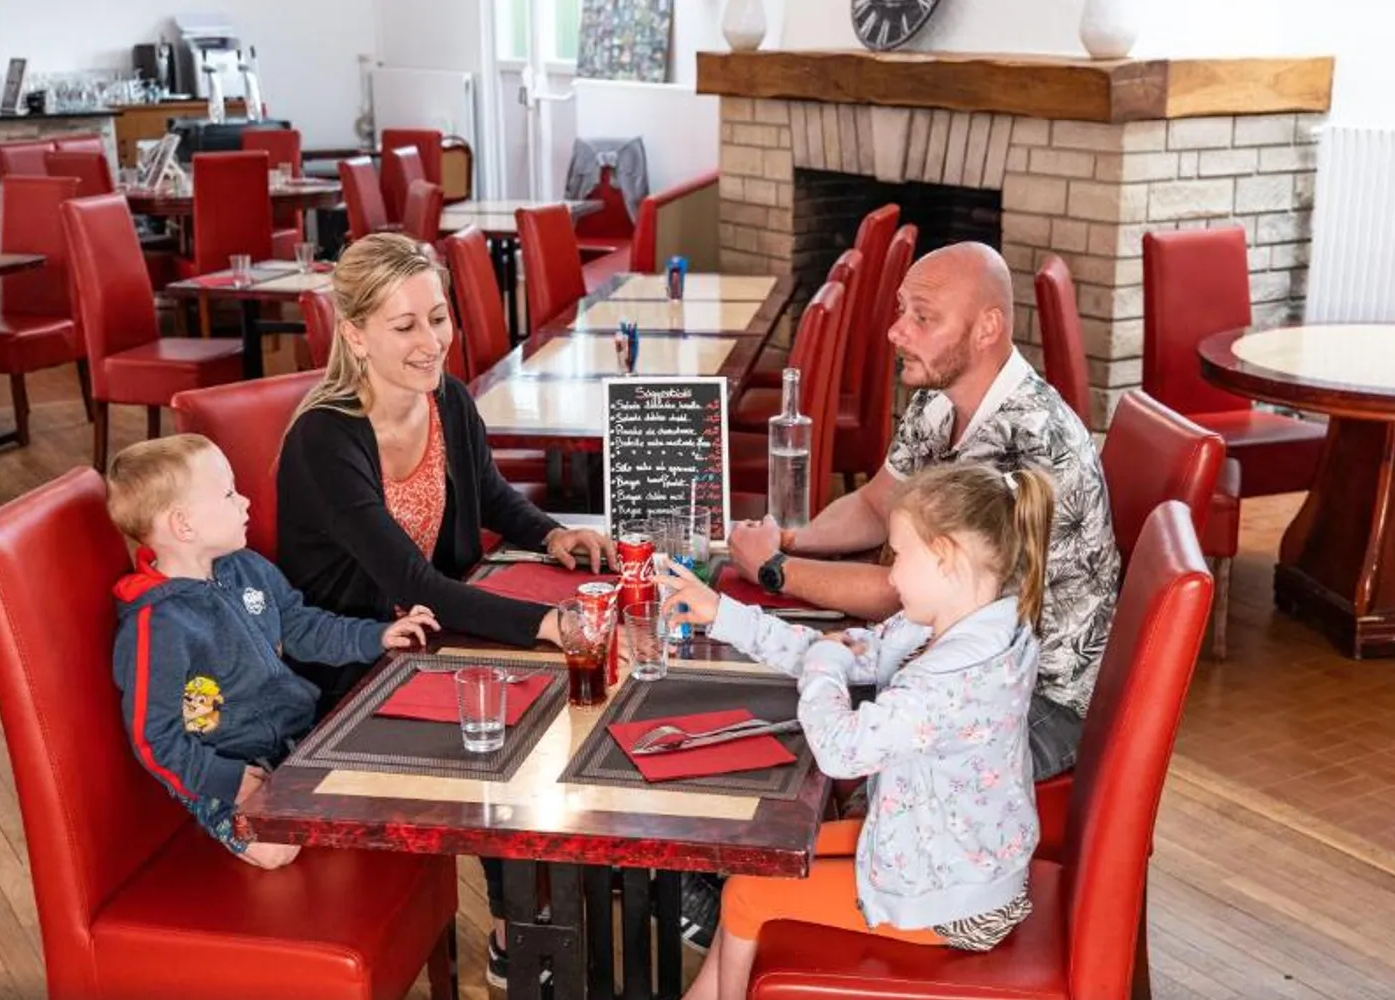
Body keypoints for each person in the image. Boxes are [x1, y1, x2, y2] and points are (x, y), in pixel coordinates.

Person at [274, 232, 608, 986]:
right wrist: (546, 624)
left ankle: (566, 881)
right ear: (355, 335)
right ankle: (517, 926)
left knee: (551, 698)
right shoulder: (324, 440)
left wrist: (552, 534)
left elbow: (488, 493)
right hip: (352, 667)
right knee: (501, 717)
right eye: (405, 326)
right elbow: (412, 578)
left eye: (438, 318)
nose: (432, 343)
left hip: (433, 640)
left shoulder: (448, 400)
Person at [658, 462, 1054, 1000]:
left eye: (899, 555)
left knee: (747, 893)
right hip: (945, 853)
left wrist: (825, 664)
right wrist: (723, 615)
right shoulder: (962, 624)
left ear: (944, 556)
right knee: (761, 858)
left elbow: (840, 749)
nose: (889, 577)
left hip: (957, 902)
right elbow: (840, 654)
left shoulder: (956, 677)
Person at [724, 242, 1117, 782]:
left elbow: (902, 594)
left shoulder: (1029, 445)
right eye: (901, 310)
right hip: (947, 667)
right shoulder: (939, 400)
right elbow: (874, 503)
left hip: (1036, 701)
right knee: (781, 714)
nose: (896, 332)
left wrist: (774, 570)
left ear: (987, 328)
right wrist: (790, 540)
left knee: (816, 754)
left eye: (923, 317)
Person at [106, 434, 438, 870]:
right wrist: (227, 781)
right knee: (276, 850)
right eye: (229, 494)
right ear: (184, 526)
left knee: (379, 789)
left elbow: (302, 625)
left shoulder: (247, 567)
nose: (245, 502)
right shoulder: (157, 625)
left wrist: (378, 636)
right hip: (229, 762)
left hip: (297, 733)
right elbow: (154, 738)